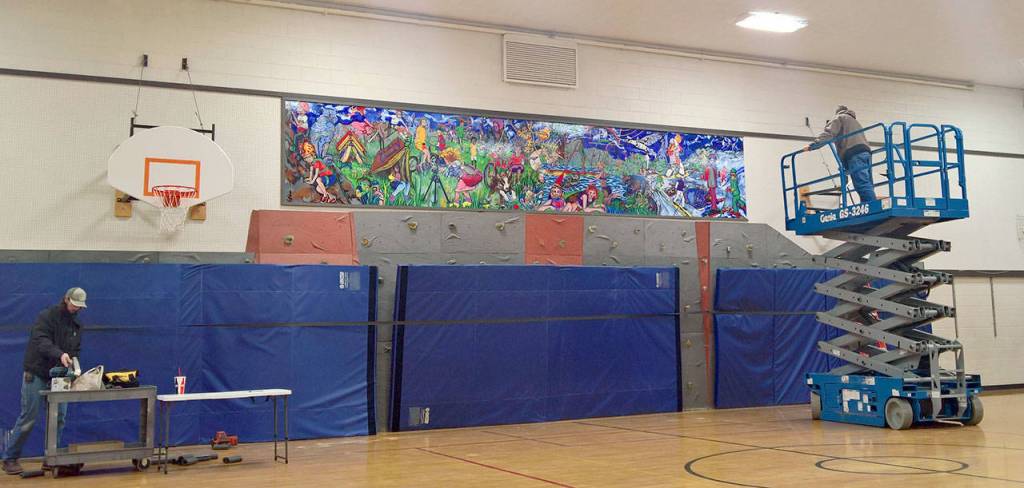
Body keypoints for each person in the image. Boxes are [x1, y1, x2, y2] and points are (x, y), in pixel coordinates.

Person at [3, 288, 86, 475]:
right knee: (28, 418)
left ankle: (52, 458)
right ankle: (10, 458)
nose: (76, 308)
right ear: (66, 299)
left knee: (59, 418)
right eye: (74, 304)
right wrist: (60, 354)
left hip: (60, 377)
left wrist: (73, 366)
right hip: (37, 373)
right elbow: (41, 341)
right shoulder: (46, 317)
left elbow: (76, 351)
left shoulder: (77, 326)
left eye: (80, 306)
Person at [805, 105, 875, 202]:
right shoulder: (855, 122)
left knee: (861, 183)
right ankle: (868, 205)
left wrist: (813, 145)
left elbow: (829, 134)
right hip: (866, 152)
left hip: (854, 154)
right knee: (867, 183)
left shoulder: (839, 118)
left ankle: (870, 207)